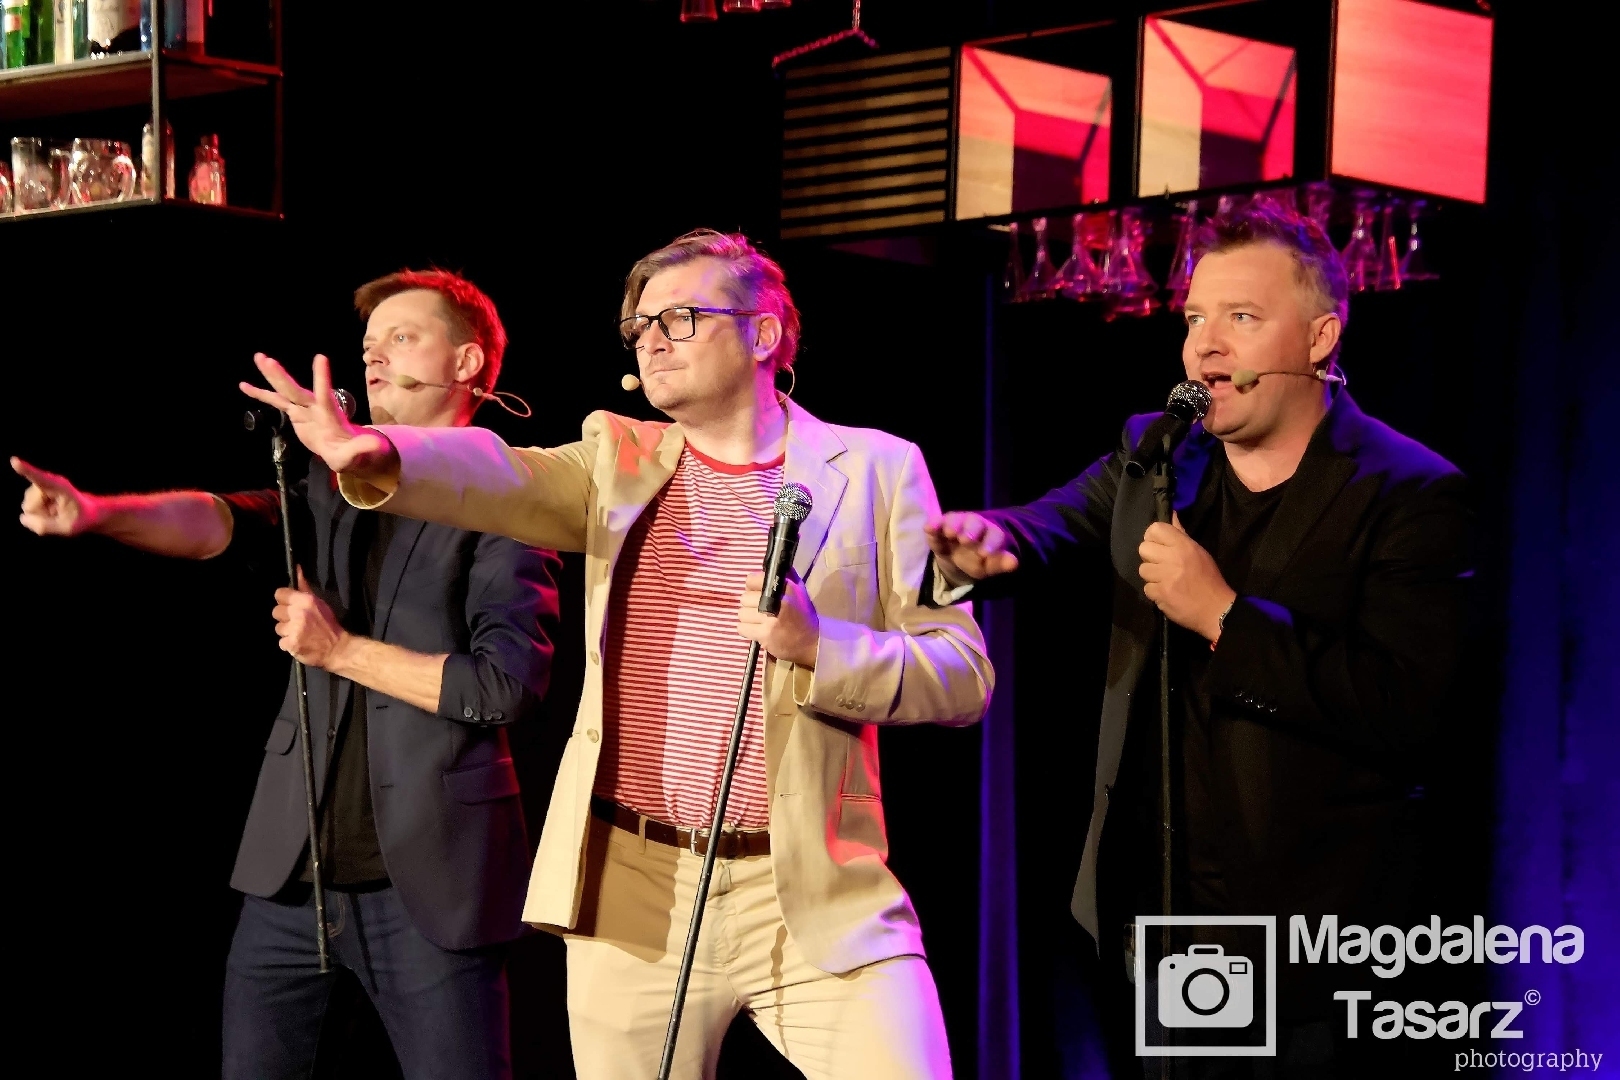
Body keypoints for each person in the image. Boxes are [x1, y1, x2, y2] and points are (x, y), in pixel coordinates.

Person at [240, 229, 992, 1079]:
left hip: (818, 891)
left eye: (679, 318)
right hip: (636, 892)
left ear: (764, 334)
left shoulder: (881, 471)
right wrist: (373, 451)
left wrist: (822, 646)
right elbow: (499, 472)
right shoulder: (617, 460)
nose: (651, 341)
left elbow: (961, 675)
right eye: (640, 327)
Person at [924, 206, 1471, 1074]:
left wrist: (1223, 615)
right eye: (1194, 319)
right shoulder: (1158, 454)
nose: (1205, 347)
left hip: (1318, 941)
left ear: (1321, 337)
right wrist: (989, 544)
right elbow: (1053, 523)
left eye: (1241, 318)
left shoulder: (1409, 491)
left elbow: (1407, 709)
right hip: (1167, 918)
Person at [15, 270, 561, 1080]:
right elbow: (221, 522)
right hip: (290, 882)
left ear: (467, 362)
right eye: (368, 346)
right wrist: (98, 514)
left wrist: (341, 652)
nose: (374, 359)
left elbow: (503, 686)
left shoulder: (512, 496)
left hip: (431, 887)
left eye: (402, 338)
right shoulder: (332, 487)